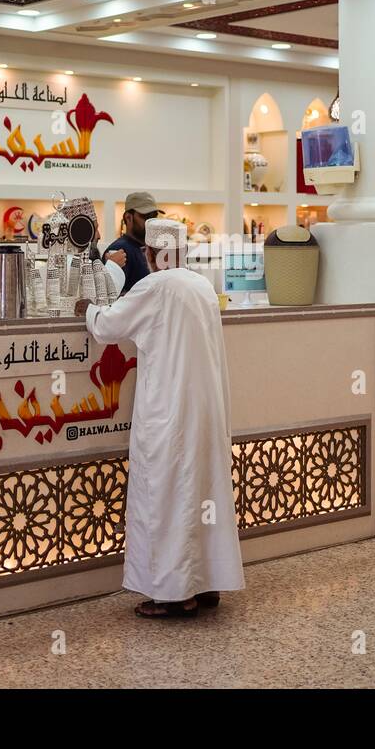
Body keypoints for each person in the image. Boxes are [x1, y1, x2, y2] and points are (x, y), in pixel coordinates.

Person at [75, 218, 245, 618]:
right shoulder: (201, 285)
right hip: (205, 410)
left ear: (149, 254)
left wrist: (88, 309)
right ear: (182, 252)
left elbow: (107, 327)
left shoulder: (154, 286)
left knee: (166, 498)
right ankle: (205, 585)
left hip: (168, 412)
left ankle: (174, 594)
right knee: (204, 494)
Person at [106, 191, 163, 295]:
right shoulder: (120, 250)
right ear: (128, 217)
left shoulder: (151, 248)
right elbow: (111, 297)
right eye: (146, 217)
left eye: (154, 216)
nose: (151, 222)